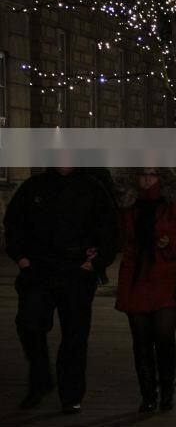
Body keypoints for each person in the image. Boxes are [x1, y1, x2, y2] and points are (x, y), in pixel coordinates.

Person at [4, 167, 117, 414]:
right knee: (29, 323)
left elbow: (109, 227)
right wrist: (21, 256)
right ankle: (41, 377)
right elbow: (14, 222)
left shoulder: (92, 186)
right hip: (39, 268)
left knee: (75, 335)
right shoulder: (34, 186)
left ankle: (71, 394)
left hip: (76, 270)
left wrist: (97, 260)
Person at [115, 168, 176, 413]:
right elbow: (118, 237)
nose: (147, 179)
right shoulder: (128, 207)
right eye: (143, 174)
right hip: (137, 279)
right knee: (141, 340)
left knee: (163, 336)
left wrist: (171, 242)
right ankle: (148, 394)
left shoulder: (175, 206)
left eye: (152, 174)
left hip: (166, 279)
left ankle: (167, 389)